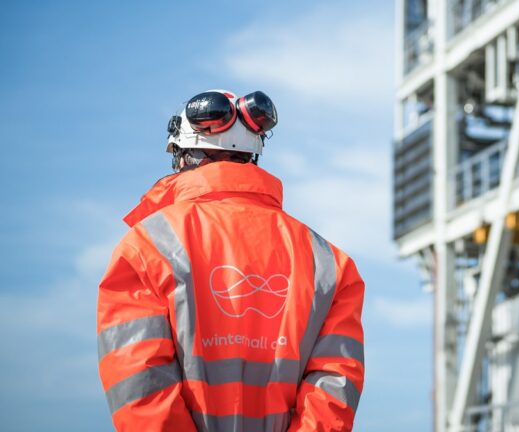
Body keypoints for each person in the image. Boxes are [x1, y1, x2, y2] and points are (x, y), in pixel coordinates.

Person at [96, 90, 365, 431]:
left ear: (184, 156)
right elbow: (333, 392)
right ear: (253, 156)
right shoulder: (329, 263)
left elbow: (140, 387)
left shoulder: (145, 247)